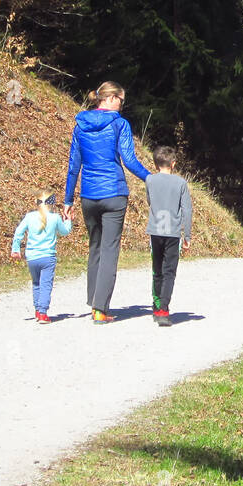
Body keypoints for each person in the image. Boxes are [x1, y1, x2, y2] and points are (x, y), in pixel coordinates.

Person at [63, 81, 151, 323]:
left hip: (88, 196)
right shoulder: (119, 124)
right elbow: (129, 160)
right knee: (110, 249)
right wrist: (152, 179)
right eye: (121, 101)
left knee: (95, 247)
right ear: (111, 98)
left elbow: (73, 166)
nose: (122, 106)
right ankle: (100, 309)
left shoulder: (80, 124)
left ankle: (94, 301)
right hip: (113, 193)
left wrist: (67, 199)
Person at [144, 145, 193, 326]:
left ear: (156, 164)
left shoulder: (149, 180)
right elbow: (187, 210)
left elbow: (150, 200)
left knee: (157, 270)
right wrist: (187, 236)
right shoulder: (181, 183)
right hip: (173, 233)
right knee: (169, 272)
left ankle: (157, 306)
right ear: (173, 164)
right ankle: (164, 310)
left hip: (155, 231)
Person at [10, 191, 72, 323]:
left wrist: (16, 249)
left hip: (31, 257)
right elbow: (65, 231)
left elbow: (18, 232)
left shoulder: (29, 217)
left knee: (36, 283)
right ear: (52, 204)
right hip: (47, 257)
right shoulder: (55, 218)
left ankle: (38, 311)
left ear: (37, 202)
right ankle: (43, 312)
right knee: (46, 284)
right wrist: (68, 220)